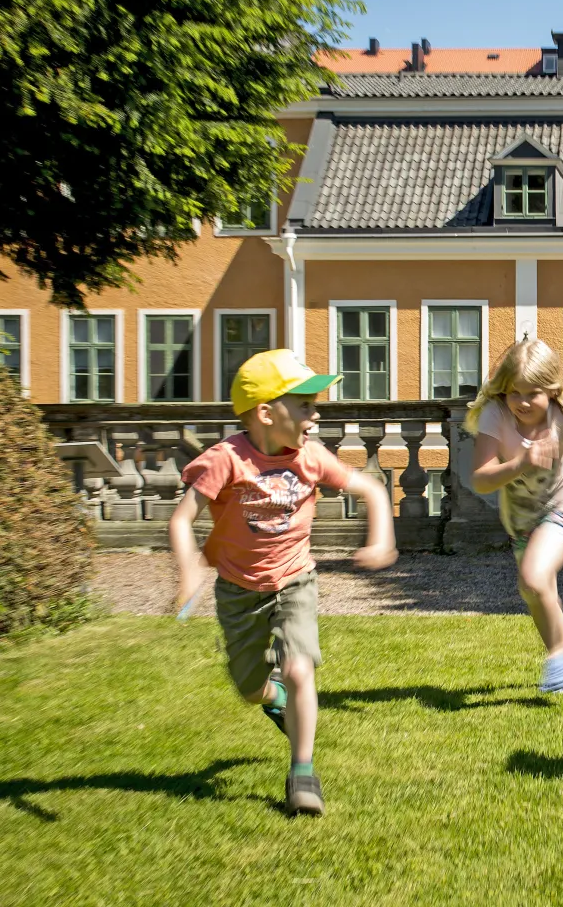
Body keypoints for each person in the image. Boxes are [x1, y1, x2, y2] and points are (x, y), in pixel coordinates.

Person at [170, 349, 397, 817]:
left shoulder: (311, 457)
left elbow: (372, 488)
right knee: (251, 687)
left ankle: (302, 773)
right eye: (305, 405)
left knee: (299, 670)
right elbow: (181, 518)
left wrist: (380, 539)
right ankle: (272, 697)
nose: (316, 416)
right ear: (266, 413)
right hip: (238, 590)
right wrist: (189, 566)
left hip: (296, 580)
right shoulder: (226, 459)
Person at [467, 338, 563, 694]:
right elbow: (480, 478)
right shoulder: (496, 414)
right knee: (532, 587)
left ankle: (559, 660)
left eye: (532, 393)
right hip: (521, 519)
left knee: (535, 577)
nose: (521, 402)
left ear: (552, 391)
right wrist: (521, 461)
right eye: (513, 393)